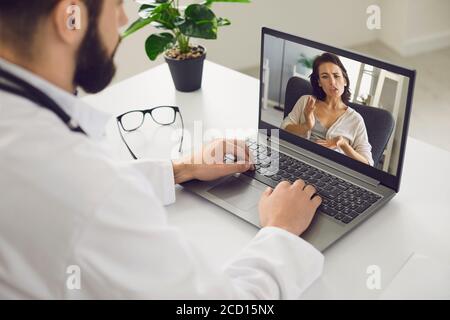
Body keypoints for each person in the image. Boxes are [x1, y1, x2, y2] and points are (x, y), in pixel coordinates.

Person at [0, 0, 323, 299]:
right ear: (70, 18)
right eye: (116, 6)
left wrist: (181, 169)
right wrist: (280, 230)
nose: (124, 21)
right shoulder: (87, 191)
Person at [281, 53, 374, 166]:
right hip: (298, 162)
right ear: (319, 82)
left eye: (336, 76)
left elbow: (368, 164)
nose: (332, 82)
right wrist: (306, 126)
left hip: (332, 173)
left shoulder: (356, 120)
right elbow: (284, 129)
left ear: (344, 80)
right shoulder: (306, 102)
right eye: (325, 77)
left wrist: (343, 144)